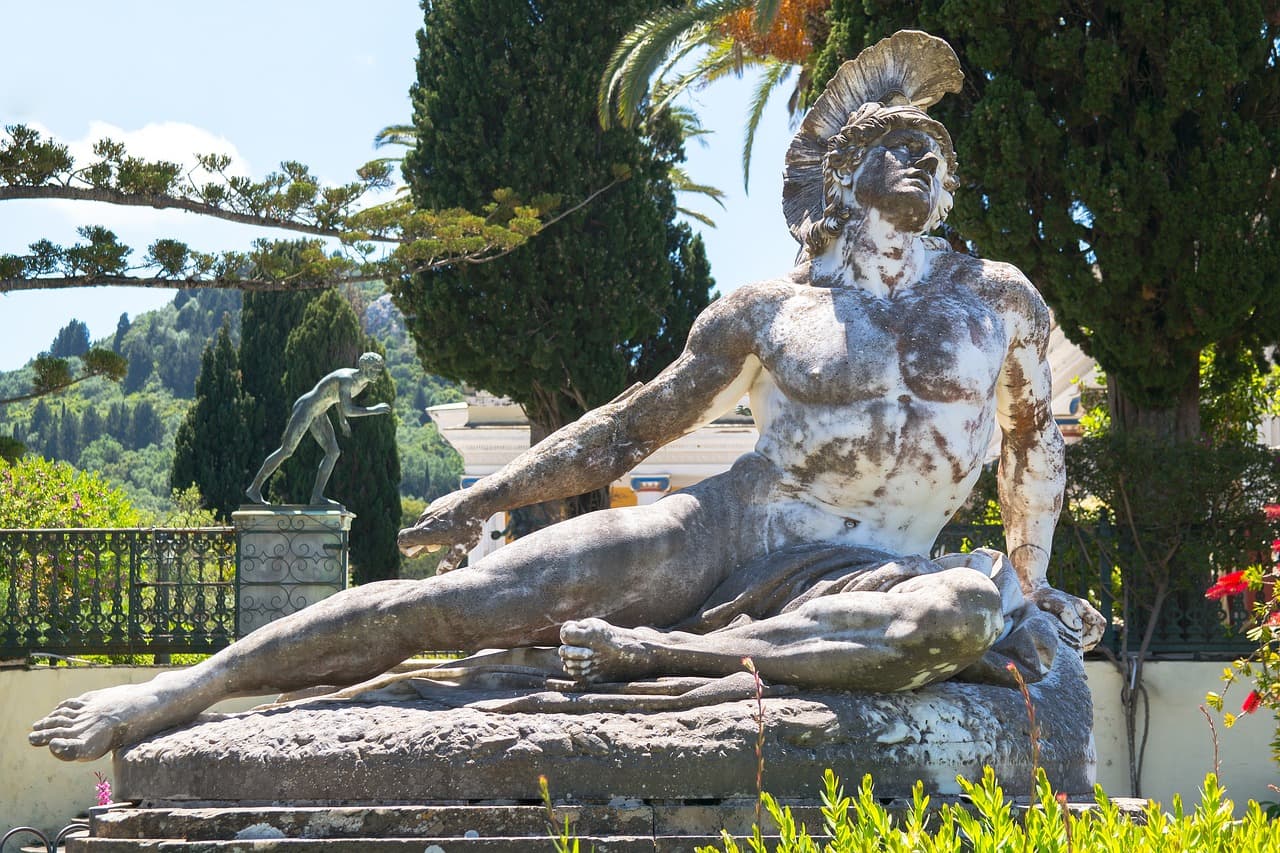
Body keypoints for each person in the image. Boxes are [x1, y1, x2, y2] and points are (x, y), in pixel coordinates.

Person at [31, 31, 1103, 763]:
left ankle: (661, 656)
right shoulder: (768, 307)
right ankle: (182, 690)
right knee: (460, 603)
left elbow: (1030, 441)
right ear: (845, 174)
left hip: (874, 567)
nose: (922, 161)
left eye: (934, 155)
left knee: (960, 610)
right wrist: (478, 496)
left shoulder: (994, 297)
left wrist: (1027, 580)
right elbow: (628, 430)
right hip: (724, 524)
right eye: (897, 147)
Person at [244, 351, 391, 506]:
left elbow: (340, 400)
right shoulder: (347, 379)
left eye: (379, 369)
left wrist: (342, 421)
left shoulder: (362, 383)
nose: (377, 373)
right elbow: (348, 409)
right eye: (375, 368)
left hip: (320, 412)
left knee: (333, 452)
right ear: (365, 367)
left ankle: (316, 497)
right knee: (287, 450)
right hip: (306, 408)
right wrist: (374, 410)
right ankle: (254, 489)